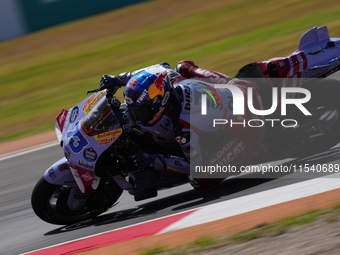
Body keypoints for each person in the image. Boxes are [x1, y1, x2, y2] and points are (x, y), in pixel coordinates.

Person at [98, 61, 266, 191]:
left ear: (160, 101)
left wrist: (155, 159)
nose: (136, 116)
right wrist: (118, 79)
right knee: (183, 67)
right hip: (240, 87)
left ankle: (254, 152)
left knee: (200, 179)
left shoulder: (182, 125)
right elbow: (154, 70)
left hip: (251, 127)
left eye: (141, 111)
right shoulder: (166, 77)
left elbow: (193, 164)